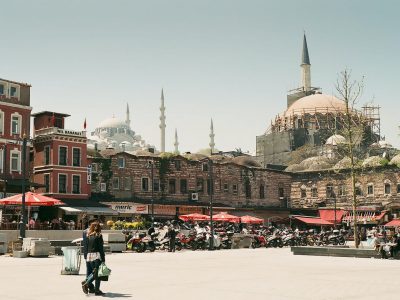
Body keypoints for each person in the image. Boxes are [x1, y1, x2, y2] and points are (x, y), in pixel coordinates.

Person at [81, 221, 106, 296]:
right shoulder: (99, 235)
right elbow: (101, 248)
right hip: (96, 256)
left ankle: (89, 284)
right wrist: (103, 258)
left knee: (94, 273)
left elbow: (86, 246)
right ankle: (90, 285)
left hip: (89, 256)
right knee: (97, 274)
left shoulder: (89, 235)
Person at [82, 219, 96, 294]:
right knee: (96, 271)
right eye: (95, 223)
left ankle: (91, 288)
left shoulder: (84, 231)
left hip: (87, 253)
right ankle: (87, 283)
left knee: (89, 271)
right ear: (91, 224)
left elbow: (85, 244)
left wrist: (85, 254)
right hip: (94, 254)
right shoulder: (93, 232)